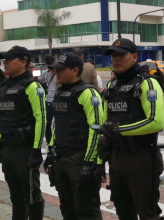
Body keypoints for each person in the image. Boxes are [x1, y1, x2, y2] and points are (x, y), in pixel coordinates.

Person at [100, 38, 164, 220]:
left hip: (141, 159)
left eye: (121, 55)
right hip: (117, 159)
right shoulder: (112, 86)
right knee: (123, 212)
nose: (116, 59)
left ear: (135, 57)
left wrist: (118, 129)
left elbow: (156, 122)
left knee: (148, 214)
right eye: (113, 55)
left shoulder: (147, 83)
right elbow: (107, 122)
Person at [44, 52, 104, 220]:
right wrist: (51, 153)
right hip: (61, 158)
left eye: (61, 70)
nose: (57, 73)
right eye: (56, 70)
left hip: (80, 158)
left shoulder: (88, 93)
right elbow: (57, 126)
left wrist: (90, 162)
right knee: (67, 209)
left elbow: (97, 128)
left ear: (74, 70)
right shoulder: (60, 92)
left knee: (86, 210)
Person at [0, 46, 46, 219]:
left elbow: (41, 118)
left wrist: (35, 150)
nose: (5, 62)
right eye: (4, 59)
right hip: (6, 150)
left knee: (32, 197)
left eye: (9, 59)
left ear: (23, 62)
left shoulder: (32, 86)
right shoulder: (4, 86)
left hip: (24, 151)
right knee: (16, 196)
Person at [39, 55, 57, 145]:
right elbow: (38, 81)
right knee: (47, 123)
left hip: (57, 101)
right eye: (48, 66)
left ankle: (56, 142)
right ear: (46, 65)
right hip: (47, 101)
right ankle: (50, 142)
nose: (51, 68)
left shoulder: (59, 73)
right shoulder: (45, 73)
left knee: (57, 124)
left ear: (55, 63)